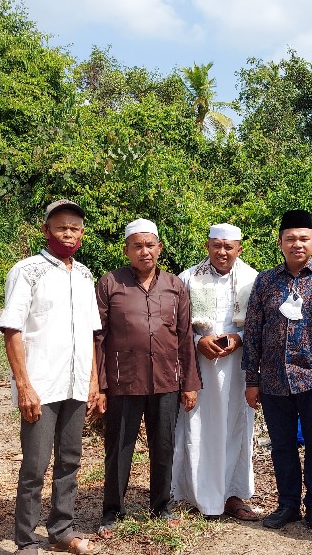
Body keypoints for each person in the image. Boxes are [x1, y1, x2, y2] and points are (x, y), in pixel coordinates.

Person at [0, 199, 104, 555]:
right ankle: (26, 541)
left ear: (82, 234)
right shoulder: (27, 271)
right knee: (35, 466)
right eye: (61, 228)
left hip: (75, 384)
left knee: (70, 460)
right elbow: (12, 329)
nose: (68, 234)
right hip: (41, 386)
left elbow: (90, 333)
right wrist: (24, 386)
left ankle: (61, 530)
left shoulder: (85, 275)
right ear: (46, 230)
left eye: (75, 228)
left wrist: (93, 382)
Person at [95, 218, 201, 538]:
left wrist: (190, 384)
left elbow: (184, 336)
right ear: (126, 250)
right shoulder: (110, 284)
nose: (144, 251)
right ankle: (112, 511)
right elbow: (98, 337)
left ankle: (161, 506)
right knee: (119, 446)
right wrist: (98, 385)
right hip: (123, 380)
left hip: (166, 379)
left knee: (164, 444)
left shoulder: (174, 286)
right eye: (137, 246)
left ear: (160, 248)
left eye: (150, 245)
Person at [242, 209, 312, 533]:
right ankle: (288, 504)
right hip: (273, 380)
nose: (297, 244)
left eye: (303, 239)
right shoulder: (265, 281)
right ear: (280, 243)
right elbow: (253, 331)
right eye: (290, 239)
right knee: (282, 446)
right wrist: (252, 379)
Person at [172, 223, 260, 520]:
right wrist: (198, 340)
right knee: (197, 427)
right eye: (216, 246)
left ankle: (233, 494)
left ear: (239, 249)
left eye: (228, 247)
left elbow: (261, 324)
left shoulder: (253, 280)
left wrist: (239, 338)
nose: (222, 252)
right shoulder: (187, 278)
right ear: (207, 246)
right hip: (200, 367)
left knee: (236, 427)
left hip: (238, 369)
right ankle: (194, 494)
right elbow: (176, 325)